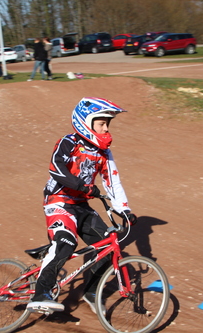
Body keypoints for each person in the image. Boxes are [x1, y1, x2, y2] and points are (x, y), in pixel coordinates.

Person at [26, 97, 137, 314]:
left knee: (107, 246)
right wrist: (82, 186)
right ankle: (40, 294)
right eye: (101, 123)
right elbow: (56, 168)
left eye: (107, 124)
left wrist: (124, 210)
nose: (105, 128)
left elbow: (112, 181)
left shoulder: (104, 153)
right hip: (58, 201)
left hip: (80, 203)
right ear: (85, 122)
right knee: (66, 242)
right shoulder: (69, 142)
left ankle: (92, 292)